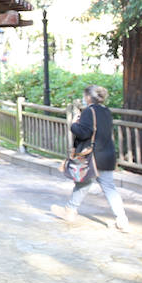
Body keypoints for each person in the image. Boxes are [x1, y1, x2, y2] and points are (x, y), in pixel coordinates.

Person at [53, 85, 129, 231]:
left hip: (92, 156)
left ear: (88, 97)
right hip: (107, 154)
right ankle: (122, 219)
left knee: (84, 183)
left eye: (84, 96)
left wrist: (74, 124)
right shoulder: (106, 111)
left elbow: (84, 133)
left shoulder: (89, 111)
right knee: (108, 187)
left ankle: (70, 211)